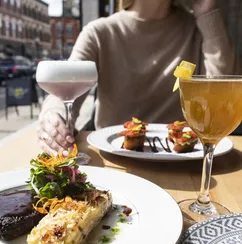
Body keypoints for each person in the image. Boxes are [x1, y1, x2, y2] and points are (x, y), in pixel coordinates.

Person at [37, 0, 239, 155]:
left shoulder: (201, 29)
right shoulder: (99, 32)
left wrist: (207, 10)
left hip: (181, 163)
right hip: (113, 161)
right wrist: (53, 117)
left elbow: (220, 102)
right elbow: (65, 91)